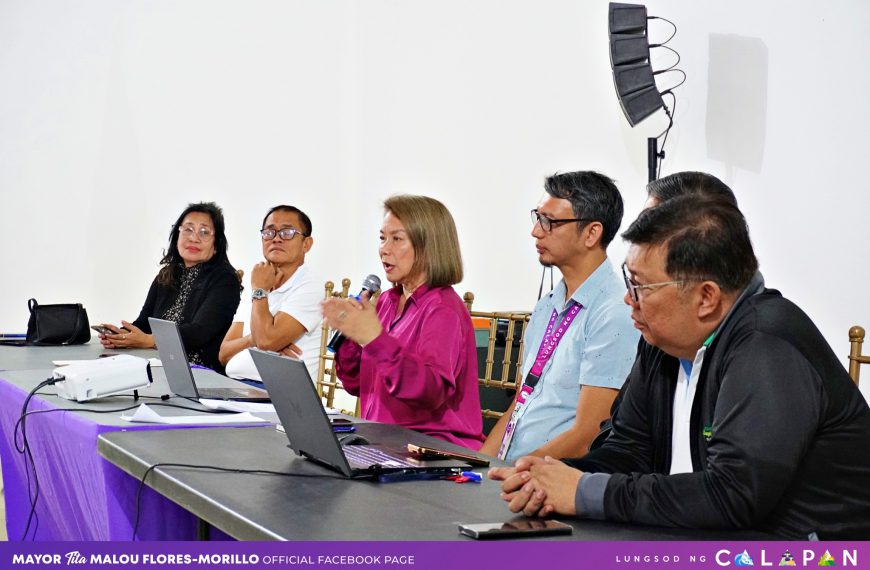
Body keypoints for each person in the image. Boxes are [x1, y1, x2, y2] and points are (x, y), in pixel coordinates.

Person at [490, 188, 870, 539]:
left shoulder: (765, 343)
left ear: (706, 297)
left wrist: (587, 492)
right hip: (702, 538)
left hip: (806, 553)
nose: (628, 299)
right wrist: (555, 478)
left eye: (640, 285)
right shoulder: (663, 340)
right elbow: (630, 450)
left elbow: (733, 494)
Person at [479, 171, 638, 462]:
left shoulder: (614, 312)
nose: (536, 231)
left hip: (550, 483)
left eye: (550, 222)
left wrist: (512, 476)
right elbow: (521, 403)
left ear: (592, 233)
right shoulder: (547, 306)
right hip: (515, 473)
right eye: (538, 218)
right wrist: (479, 469)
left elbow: (589, 434)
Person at [323, 195, 484, 450]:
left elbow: (429, 391)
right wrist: (350, 336)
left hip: (429, 451)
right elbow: (357, 385)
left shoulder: (443, 309)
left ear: (428, 246)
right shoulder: (387, 300)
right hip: (383, 442)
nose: (384, 249)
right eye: (382, 238)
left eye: (397, 239)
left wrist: (374, 339)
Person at [99, 202, 241, 373]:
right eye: (188, 229)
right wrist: (121, 336)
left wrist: (150, 341)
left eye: (204, 232)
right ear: (177, 235)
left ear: (216, 244)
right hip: (157, 364)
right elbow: (144, 323)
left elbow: (199, 332)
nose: (194, 238)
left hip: (199, 371)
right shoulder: (167, 275)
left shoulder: (225, 280)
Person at [219, 205, 322, 382]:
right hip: (240, 390)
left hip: (283, 396)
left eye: (287, 232)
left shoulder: (310, 285)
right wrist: (254, 340)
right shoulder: (261, 281)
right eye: (269, 232)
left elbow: (267, 341)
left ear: (307, 243)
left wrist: (260, 291)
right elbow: (224, 354)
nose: (276, 239)